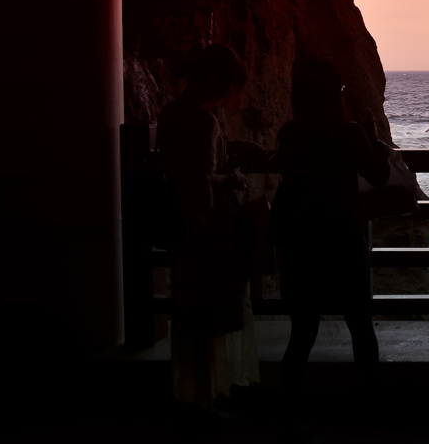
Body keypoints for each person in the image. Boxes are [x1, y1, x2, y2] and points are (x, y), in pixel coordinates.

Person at [272, 58, 390, 409]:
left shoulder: (290, 133)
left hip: (299, 243)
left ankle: (289, 414)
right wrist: (372, 136)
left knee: (302, 333)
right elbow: (379, 176)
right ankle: (371, 404)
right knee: (360, 325)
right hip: (342, 239)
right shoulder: (348, 133)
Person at [157, 44, 262, 414]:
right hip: (207, 234)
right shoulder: (203, 121)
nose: (231, 93)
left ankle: (193, 397)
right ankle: (207, 399)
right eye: (232, 84)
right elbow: (200, 183)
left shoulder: (171, 113)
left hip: (180, 233)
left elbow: (179, 171)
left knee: (191, 320)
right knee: (211, 321)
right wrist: (231, 180)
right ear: (219, 81)